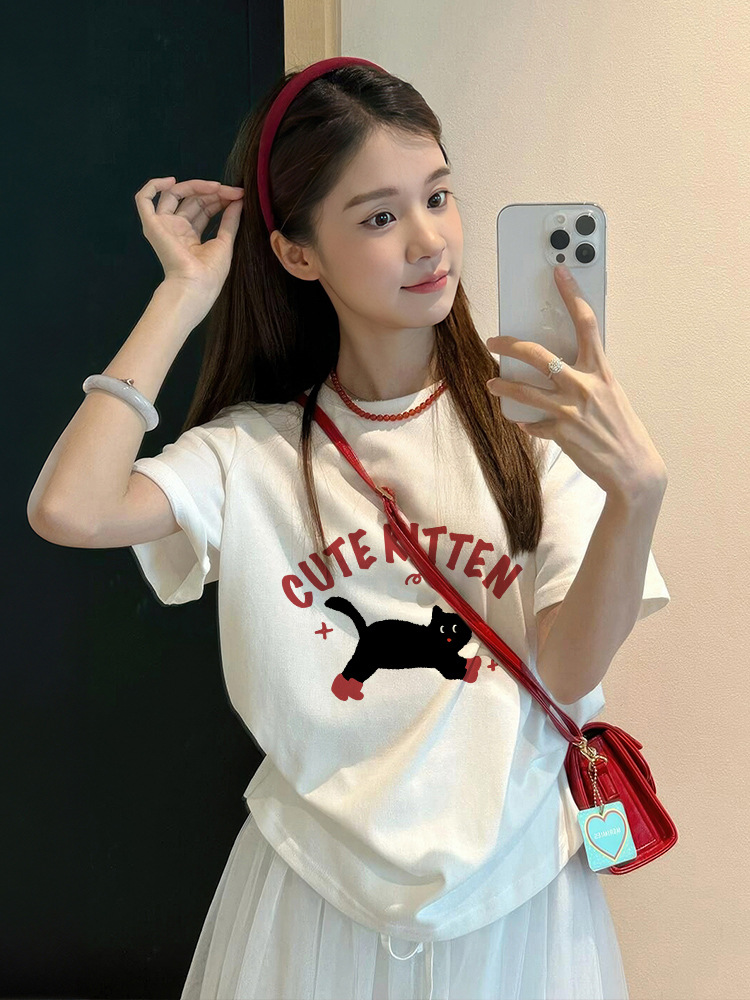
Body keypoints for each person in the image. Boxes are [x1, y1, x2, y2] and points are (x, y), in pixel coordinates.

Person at [29, 57, 671, 1000]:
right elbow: (69, 509)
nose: (429, 240)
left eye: (439, 196)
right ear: (299, 254)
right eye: (378, 217)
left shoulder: (536, 425)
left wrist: (637, 495)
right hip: (314, 895)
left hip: (517, 890)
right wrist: (184, 294)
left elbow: (569, 669)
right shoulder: (254, 452)